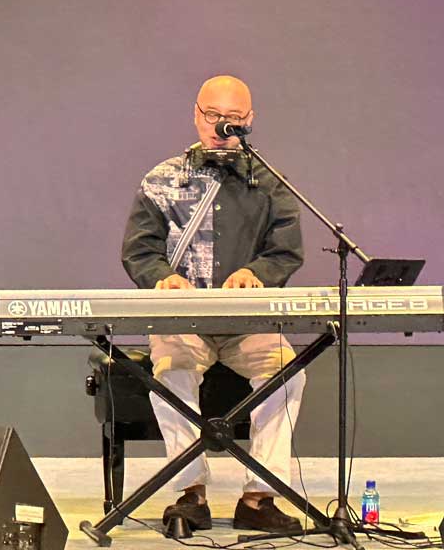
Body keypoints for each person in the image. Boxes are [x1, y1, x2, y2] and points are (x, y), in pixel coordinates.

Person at [121, 75, 306, 534]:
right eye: (213, 116)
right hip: (183, 320)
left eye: (233, 118)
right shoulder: (162, 179)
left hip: (246, 323)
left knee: (288, 374)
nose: (222, 126)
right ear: (196, 115)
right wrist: (162, 278)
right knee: (172, 374)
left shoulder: (270, 183)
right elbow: (139, 251)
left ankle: (259, 497)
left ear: (250, 120)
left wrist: (257, 274)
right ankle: (191, 494)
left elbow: (285, 252)